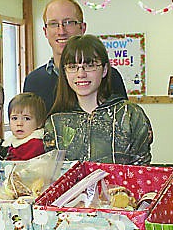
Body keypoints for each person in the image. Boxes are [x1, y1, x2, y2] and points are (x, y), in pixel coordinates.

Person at [44, 34, 152, 165]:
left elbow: (141, 170)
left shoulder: (129, 115)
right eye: (72, 67)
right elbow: (54, 174)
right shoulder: (55, 123)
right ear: (65, 72)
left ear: (105, 70)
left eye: (89, 65)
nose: (81, 74)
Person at [23, 0, 127, 113]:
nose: (61, 31)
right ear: (45, 31)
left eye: (68, 23)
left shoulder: (109, 76)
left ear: (82, 28)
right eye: (53, 24)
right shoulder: (34, 81)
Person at [4, 92, 46, 161]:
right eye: (14, 118)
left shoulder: (36, 144)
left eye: (27, 118)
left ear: (39, 123)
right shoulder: (10, 141)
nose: (19, 123)